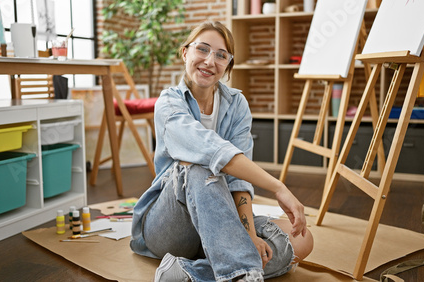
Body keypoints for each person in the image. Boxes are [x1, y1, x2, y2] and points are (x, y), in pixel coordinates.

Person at [130, 21, 314, 281]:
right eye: (202, 49)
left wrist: (250, 236)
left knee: (301, 241)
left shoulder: (236, 104)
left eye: (220, 55)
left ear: (228, 64)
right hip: (172, 227)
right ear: (185, 53)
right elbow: (211, 151)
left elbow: (238, 180)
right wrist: (278, 187)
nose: (209, 60)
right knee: (197, 165)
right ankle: (240, 272)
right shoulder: (169, 102)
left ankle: (186, 274)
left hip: (218, 217)